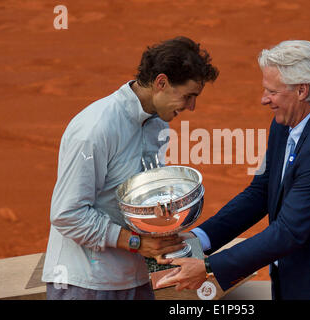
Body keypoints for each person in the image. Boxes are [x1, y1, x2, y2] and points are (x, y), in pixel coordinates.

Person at [157, 40, 310, 300]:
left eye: (272, 91)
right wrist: (199, 239)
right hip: (294, 283)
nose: (264, 99)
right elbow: (259, 192)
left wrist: (207, 267)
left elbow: (288, 232)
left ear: (302, 91)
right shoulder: (284, 126)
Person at [41, 36, 219, 300]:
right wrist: (136, 242)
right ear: (161, 82)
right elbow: (68, 213)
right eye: (188, 96)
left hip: (134, 280)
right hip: (85, 285)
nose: (191, 107)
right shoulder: (95, 129)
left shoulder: (158, 125)